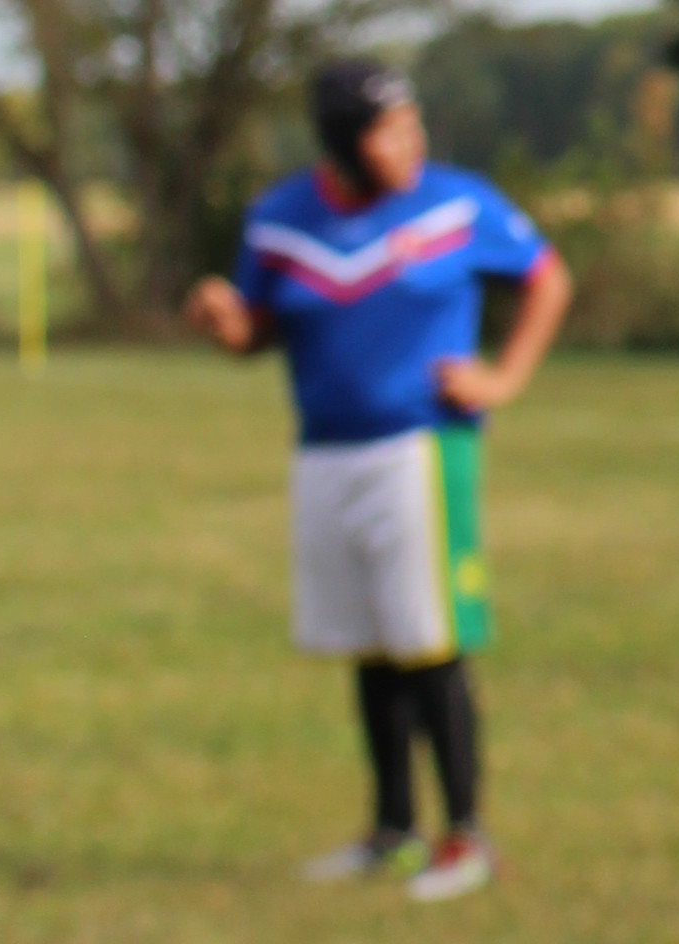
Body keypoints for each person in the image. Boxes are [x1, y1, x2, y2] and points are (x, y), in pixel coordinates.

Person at [184, 60, 572, 901]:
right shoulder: (281, 218)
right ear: (345, 144)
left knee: (429, 642)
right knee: (370, 645)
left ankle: (466, 837)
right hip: (326, 451)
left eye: (411, 123)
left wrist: (503, 379)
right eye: (390, 130)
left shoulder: (456, 205)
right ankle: (393, 832)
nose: (410, 143)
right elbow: (258, 331)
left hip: (421, 447)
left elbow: (547, 278)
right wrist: (223, 323)